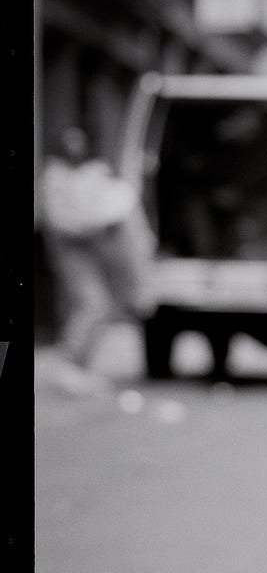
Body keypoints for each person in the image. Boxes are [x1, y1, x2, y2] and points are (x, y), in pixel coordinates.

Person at [40, 125, 155, 389]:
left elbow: (113, 202)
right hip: (72, 254)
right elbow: (61, 221)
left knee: (101, 305)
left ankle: (80, 365)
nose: (74, 147)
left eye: (79, 141)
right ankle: (71, 362)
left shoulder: (92, 172)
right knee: (93, 305)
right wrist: (89, 225)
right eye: (69, 142)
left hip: (94, 252)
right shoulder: (55, 176)